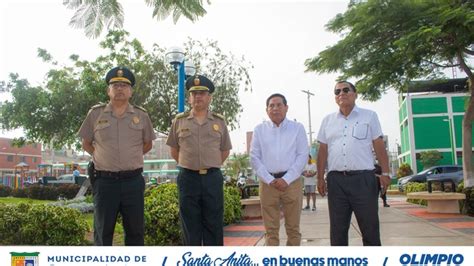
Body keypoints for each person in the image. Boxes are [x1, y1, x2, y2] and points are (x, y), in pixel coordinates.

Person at [78, 66, 156, 246]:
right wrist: (103, 156)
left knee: (135, 232)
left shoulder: (141, 115)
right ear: (108, 90)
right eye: (115, 85)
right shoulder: (95, 114)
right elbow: (86, 143)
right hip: (105, 182)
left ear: (131, 91)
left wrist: (130, 157)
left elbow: (148, 144)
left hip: (133, 182)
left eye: (124, 85)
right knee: (103, 231)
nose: (119, 88)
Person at [316, 81, 390, 246]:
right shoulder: (327, 120)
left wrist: (386, 173)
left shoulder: (369, 116)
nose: (341, 93)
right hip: (336, 182)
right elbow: (322, 151)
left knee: (370, 229)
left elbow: (378, 144)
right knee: (337, 231)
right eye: (337, 91)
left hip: (363, 180)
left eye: (345, 90)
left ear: (355, 94)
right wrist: (320, 178)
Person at [166, 74, 232, 246]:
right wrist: (190, 165)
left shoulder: (219, 122)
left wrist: (210, 164)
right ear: (189, 98)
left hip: (212, 178)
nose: (198, 97)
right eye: (194, 93)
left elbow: (225, 150)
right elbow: (174, 150)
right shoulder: (179, 121)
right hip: (188, 178)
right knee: (190, 226)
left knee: (214, 224)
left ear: (209, 97)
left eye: (202, 93)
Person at [250, 93, 308, 246]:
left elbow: (302, 155)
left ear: (286, 107)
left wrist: (286, 179)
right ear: (267, 110)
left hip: (292, 183)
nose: (275, 108)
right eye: (271, 106)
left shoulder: (297, 128)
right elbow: (254, 157)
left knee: (293, 229)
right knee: (271, 231)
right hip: (268, 184)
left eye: (279, 105)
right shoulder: (259, 130)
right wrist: (270, 180)